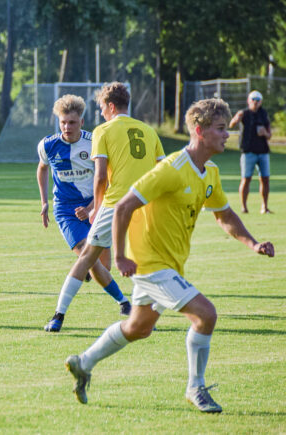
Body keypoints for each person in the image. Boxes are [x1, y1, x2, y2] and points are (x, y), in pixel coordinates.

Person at [65, 98, 275, 413]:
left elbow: (225, 215)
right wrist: (120, 256)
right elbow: (123, 207)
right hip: (148, 264)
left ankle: (83, 363)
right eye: (220, 129)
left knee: (138, 327)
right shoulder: (172, 168)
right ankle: (196, 388)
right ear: (201, 131)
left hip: (169, 264)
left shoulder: (210, 173)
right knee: (206, 314)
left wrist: (253, 243)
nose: (226, 135)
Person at [49, 82, 165, 328]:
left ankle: (58, 315)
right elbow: (161, 172)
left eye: (102, 107)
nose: (101, 113)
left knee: (87, 258)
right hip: (146, 203)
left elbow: (100, 177)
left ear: (111, 106)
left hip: (116, 203)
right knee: (146, 261)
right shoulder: (149, 130)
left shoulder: (103, 130)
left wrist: (94, 210)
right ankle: (148, 316)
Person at [37, 94, 131, 332]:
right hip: (66, 210)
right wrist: (44, 202)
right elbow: (42, 169)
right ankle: (124, 303)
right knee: (86, 258)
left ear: (82, 120)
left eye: (72, 122)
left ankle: (92, 274)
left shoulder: (94, 142)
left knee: (103, 266)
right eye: (63, 123)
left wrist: (90, 208)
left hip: (97, 206)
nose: (67, 127)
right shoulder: (48, 145)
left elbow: (108, 179)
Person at [229, 90, 273, 214]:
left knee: (265, 179)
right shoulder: (244, 113)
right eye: (253, 99)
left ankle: (264, 207)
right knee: (246, 179)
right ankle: (244, 207)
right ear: (249, 100)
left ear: (261, 101)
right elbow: (231, 125)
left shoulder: (263, 114)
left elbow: (269, 135)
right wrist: (236, 118)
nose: (255, 102)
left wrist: (265, 133)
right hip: (248, 151)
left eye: (258, 99)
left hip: (263, 151)